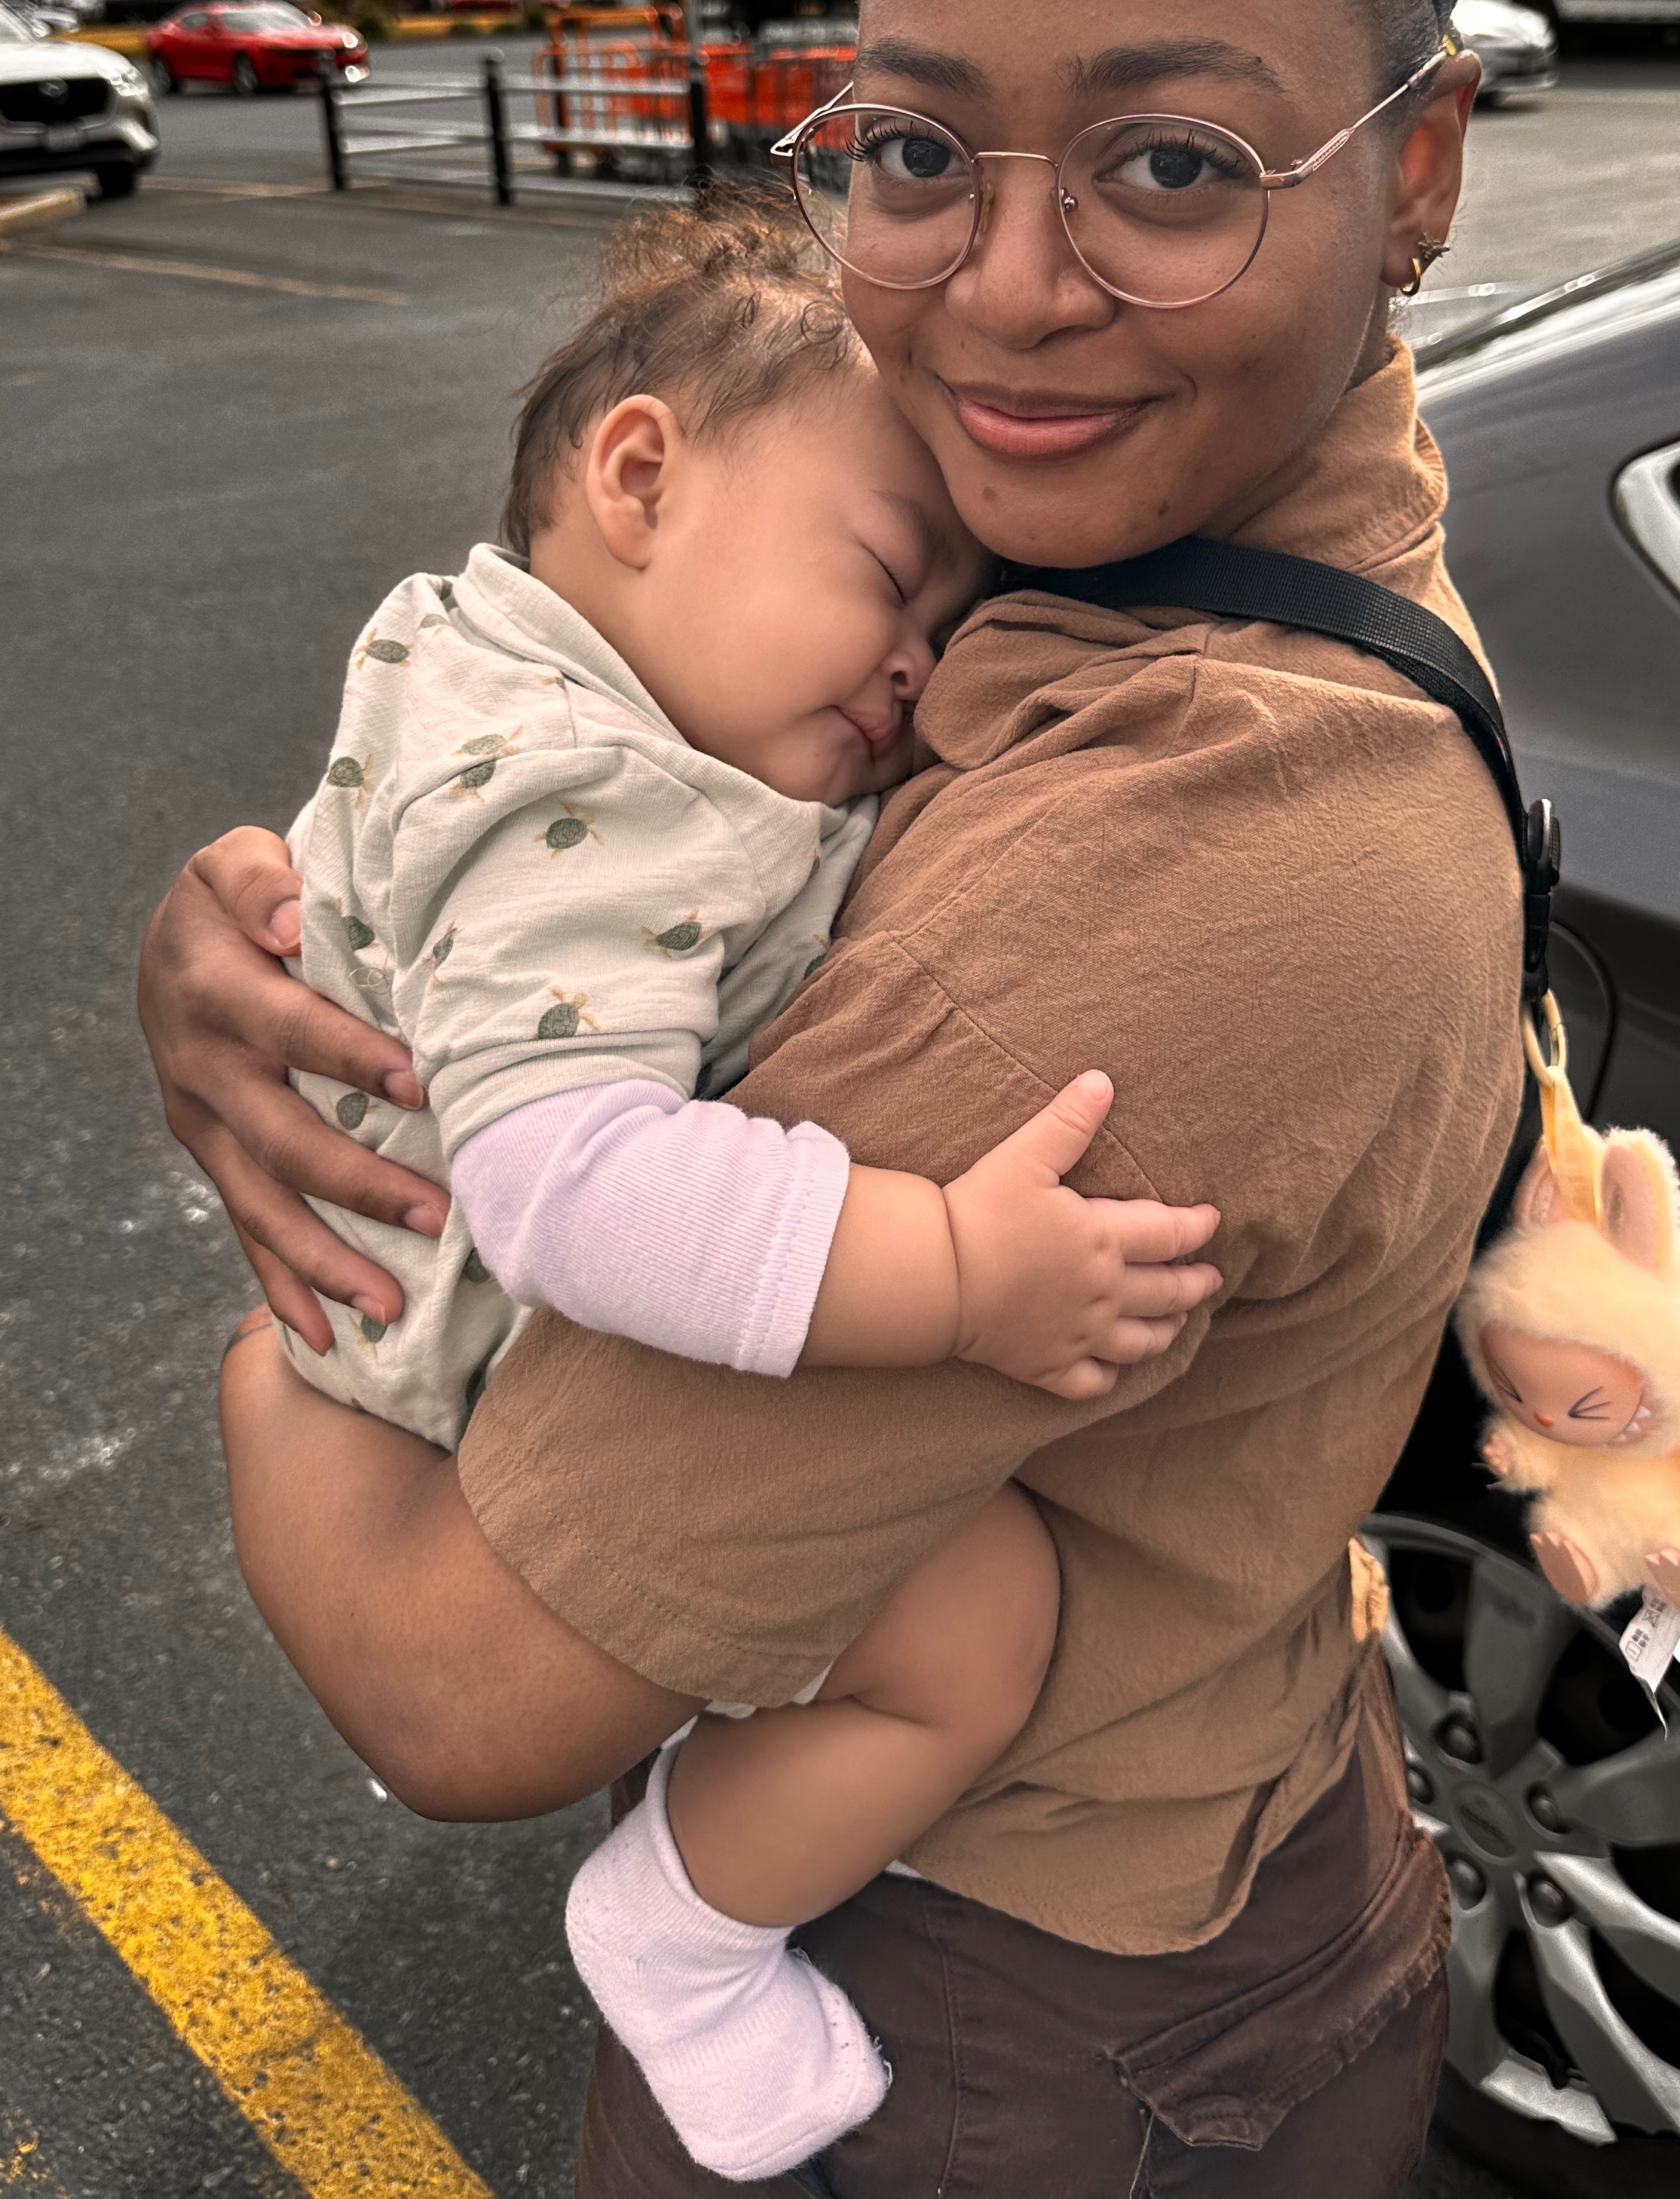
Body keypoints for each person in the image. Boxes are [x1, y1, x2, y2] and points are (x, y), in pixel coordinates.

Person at [141, 0, 1525, 2195]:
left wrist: (285, 1308)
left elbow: (456, 1683)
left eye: (1171, 163)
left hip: (997, 2030)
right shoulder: (1119, 553)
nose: (1002, 288)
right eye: (911, 147)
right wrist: (299, 935)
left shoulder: (1203, 852)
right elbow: (627, 722)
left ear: (1416, 170)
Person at [269, 201, 1222, 2180]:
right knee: (976, 1632)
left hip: (389, 1347)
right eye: (886, 574)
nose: (917, 669)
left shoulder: (504, 684)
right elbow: (571, 1184)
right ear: (640, 480)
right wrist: (953, 1270)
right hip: (455, 1376)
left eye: (950, 624)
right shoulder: (588, 796)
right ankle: (685, 1937)